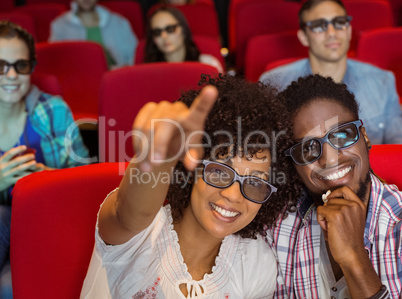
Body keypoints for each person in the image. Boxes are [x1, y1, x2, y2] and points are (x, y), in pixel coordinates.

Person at [80, 75, 300, 298]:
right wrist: (158, 158)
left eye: (254, 182)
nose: (233, 195)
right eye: (219, 171)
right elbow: (132, 213)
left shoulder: (256, 264)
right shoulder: (137, 234)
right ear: (191, 169)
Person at [266, 74, 401, 298]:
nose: (329, 160)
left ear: (365, 137)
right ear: (294, 165)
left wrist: (354, 256)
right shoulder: (276, 227)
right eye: (307, 148)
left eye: (341, 135)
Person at [0, 21, 89, 297]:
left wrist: (47, 179)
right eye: (1, 66)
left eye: (20, 66)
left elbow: (86, 181)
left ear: (32, 68)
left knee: (10, 288)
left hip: (47, 222)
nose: (11, 75)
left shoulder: (54, 111)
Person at [259, 0, 402, 145]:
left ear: (349, 31)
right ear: (304, 37)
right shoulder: (273, 83)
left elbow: (397, 149)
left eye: (339, 23)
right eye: (319, 26)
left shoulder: (382, 81)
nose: (332, 33)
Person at [49, 0, 138, 70]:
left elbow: (135, 55)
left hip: (116, 77)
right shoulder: (60, 26)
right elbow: (55, 62)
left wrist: (125, 68)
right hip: (79, 81)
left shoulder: (119, 22)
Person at [144, 6, 224, 73]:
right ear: (153, 39)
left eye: (170, 29)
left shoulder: (209, 65)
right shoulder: (146, 71)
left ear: (183, 30)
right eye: (157, 32)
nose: (164, 36)